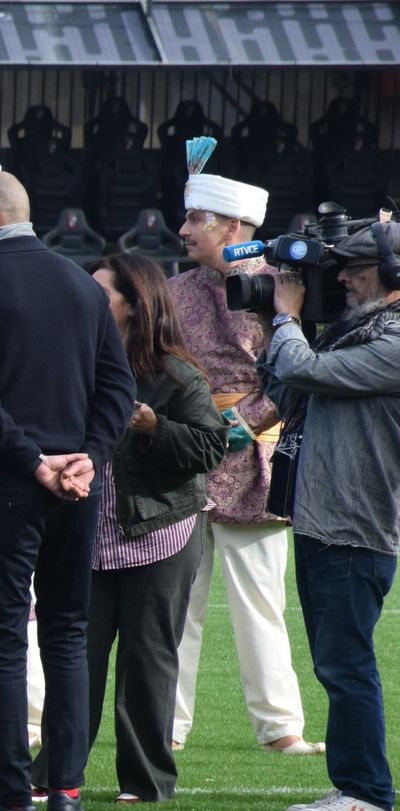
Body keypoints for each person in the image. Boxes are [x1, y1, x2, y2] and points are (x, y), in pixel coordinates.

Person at [0, 172, 135, 811]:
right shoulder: (83, 286)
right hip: (78, 489)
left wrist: (32, 460)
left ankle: (15, 801)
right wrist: (88, 456)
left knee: (0, 641)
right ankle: (68, 798)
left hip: (5, 487)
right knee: (66, 635)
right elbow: (118, 390)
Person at [169, 136, 318, 755]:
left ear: (236, 225)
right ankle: (165, 725)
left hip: (254, 453)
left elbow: (292, 373)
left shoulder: (282, 286)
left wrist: (245, 422)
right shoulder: (177, 290)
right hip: (183, 452)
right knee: (178, 603)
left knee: (261, 599)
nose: (182, 230)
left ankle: (280, 726)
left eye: (194, 219)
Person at [70, 254, 226, 803]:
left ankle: (147, 781)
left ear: (135, 307)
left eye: (100, 295)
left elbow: (212, 447)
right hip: (87, 535)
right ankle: (58, 775)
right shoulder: (72, 359)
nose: (86, 302)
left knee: (148, 658)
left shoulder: (177, 375)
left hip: (160, 533)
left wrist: (155, 425)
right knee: (74, 655)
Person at [261, 221, 400, 811]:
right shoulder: (357, 331)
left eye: (357, 267)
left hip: (355, 521)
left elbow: (302, 372)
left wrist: (288, 316)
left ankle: (367, 793)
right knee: (335, 662)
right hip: (327, 515)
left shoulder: (393, 339)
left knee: (346, 664)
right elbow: (284, 381)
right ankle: (356, 785)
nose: (342, 277)